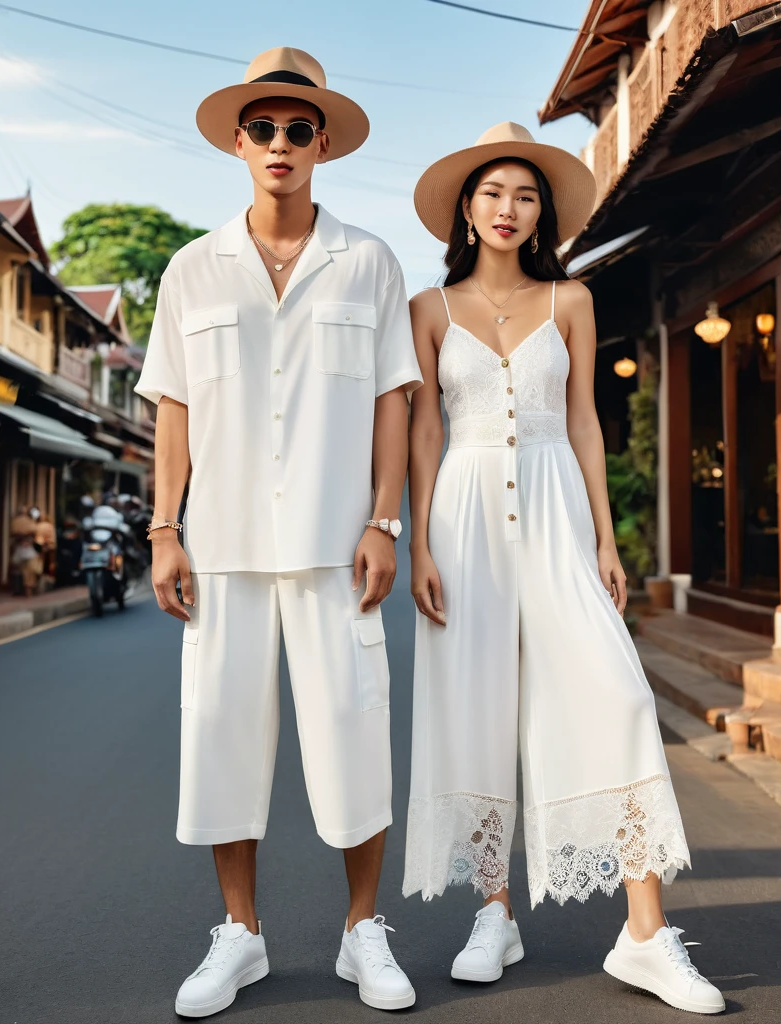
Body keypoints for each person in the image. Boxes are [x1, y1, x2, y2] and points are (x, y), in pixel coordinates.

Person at [403, 123, 725, 1015]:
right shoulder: (429, 311)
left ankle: (646, 937)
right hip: (462, 511)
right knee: (474, 703)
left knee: (615, 695)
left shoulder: (571, 301)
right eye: (493, 192)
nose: (509, 209)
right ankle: (493, 914)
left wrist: (606, 538)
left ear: (543, 212)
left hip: (554, 504)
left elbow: (586, 421)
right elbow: (427, 430)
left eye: (527, 194)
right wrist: (418, 540)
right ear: (466, 208)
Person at [134, 47, 422, 1019]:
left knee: (353, 733)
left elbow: (393, 400)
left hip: (340, 546)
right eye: (262, 128)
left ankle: (361, 930)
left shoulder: (369, 262)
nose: (280, 144)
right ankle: (240, 933)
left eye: (299, 128)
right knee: (219, 737)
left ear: (324, 141)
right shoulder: (190, 270)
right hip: (219, 545)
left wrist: (386, 519)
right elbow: (170, 408)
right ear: (237, 141)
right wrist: (163, 527)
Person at [9, 506, 41, 597]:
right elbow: (34, 532)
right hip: (28, 550)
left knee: (19, 570)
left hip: (19, 550)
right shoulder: (30, 522)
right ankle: (28, 591)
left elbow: (13, 534)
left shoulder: (15, 522)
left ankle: (19, 589)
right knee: (30, 572)